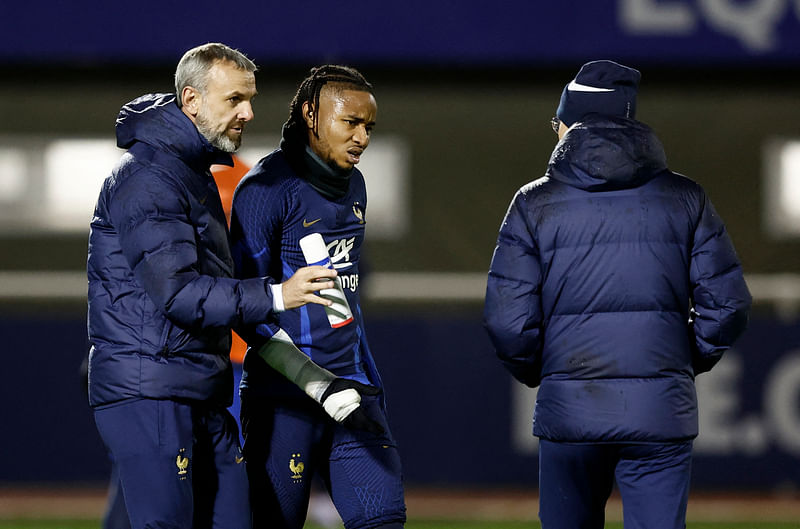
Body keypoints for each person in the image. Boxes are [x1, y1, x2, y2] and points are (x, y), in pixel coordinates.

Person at [87, 43, 368, 529]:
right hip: (152, 386)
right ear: (192, 100)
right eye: (234, 99)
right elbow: (177, 294)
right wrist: (279, 293)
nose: (249, 112)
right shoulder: (148, 179)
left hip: (197, 385)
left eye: (250, 98)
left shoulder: (191, 173)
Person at [483, 60, 752, 529]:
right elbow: (728, 303)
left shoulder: (533, 202)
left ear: (570, 122)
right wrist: (679, 362)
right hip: (660, 415)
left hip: (570, 411)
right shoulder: (686, 198)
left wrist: (548, 372)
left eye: (556, 121)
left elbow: (508, 321)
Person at [230, 65, 407, 529]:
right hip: (283, 397)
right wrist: (315, 383)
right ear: (311, 114)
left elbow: (344, 298)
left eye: (369, 126)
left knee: (383, 520)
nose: (362, 137)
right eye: (350, 122)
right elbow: (246, 308)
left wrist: (367, 380)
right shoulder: (265, 190)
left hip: (353, 393)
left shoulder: (356, 185)